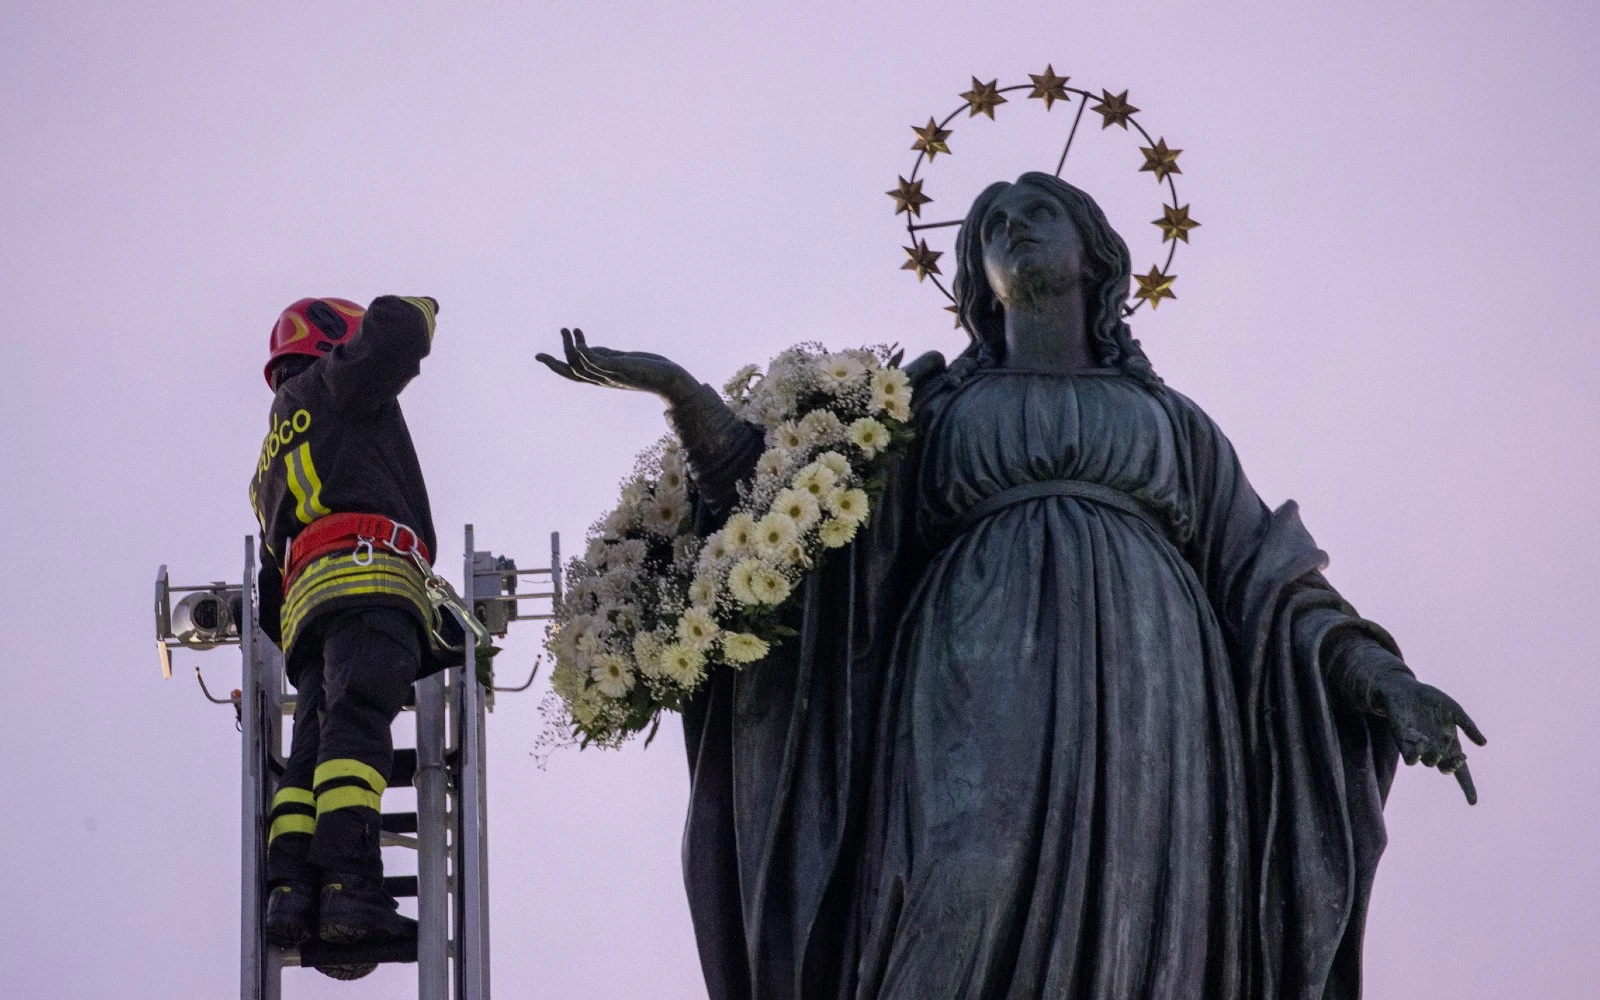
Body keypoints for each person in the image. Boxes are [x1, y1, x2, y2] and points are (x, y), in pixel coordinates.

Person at [537, 173, 1485, 1000]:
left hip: (1155, 694)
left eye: (1039, 213)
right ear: (977, 283)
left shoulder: (1171, 422)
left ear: (1095, 256)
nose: (1014, 228)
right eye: (993, 225)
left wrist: (1383, 684)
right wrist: (686, 398)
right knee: (964, 874)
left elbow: (1272, 583)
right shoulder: (935, 410)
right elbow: (799, 547)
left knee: (1141, 909)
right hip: (967, 675)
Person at [250, 294, 450, 978]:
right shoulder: (333, 384)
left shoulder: (268, 465)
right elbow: (396, 335)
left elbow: (266, 588)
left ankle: (291, 892)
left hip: (310, 620)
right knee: (358, 734)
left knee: (310, 757)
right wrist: (420, 308)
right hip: (371, 587)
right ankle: (349, 887)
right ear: (332, 341)